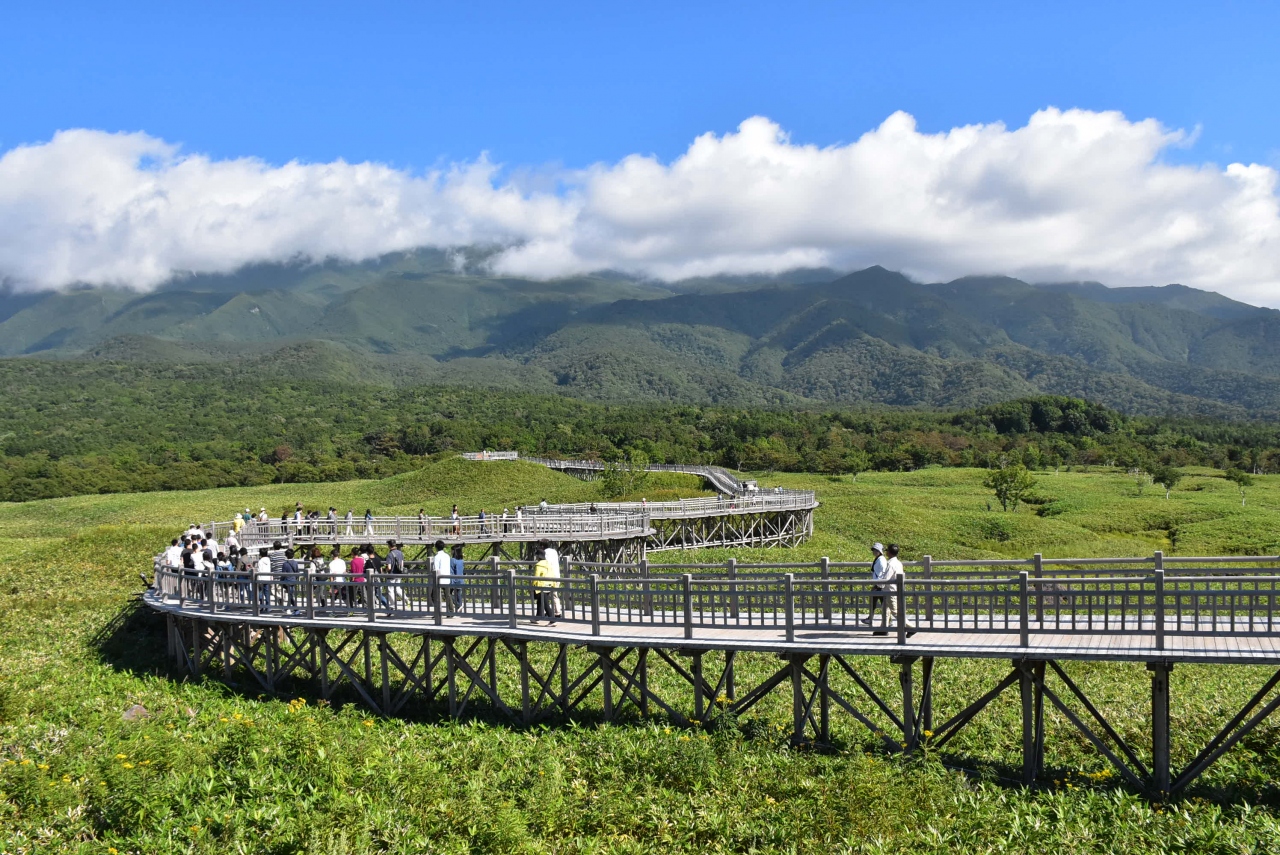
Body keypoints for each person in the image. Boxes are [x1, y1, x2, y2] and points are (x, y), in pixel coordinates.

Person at [532, 548, 562, 624]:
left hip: (540, 586)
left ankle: (553, 619)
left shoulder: (538, 565)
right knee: (540, 602)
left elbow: (536, 576)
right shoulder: (548, 564)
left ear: (538, 556)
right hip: (549, 585)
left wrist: (533, 585)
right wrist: (553, 584)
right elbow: (552, 575)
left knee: (545, 604)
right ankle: (537, 617)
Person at [431, 540, 454, 614]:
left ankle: (438, 611)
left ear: (436, 547)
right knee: (448, 595)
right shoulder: (447, 556)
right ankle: (451, 611)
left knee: (434, 595)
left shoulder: (437, 557)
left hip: (439, 578)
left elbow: (436, 569)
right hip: (447, 577)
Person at [450, 545, 466, 610]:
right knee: (458, 594)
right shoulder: (461, 560)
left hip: (453, 580)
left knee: (448, 594)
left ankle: (458, 605)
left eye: (452, 550)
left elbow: (451, 570)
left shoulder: (452, 560)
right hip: (460, 579)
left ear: (454, 551)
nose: (451, 551)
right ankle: (459, 607)